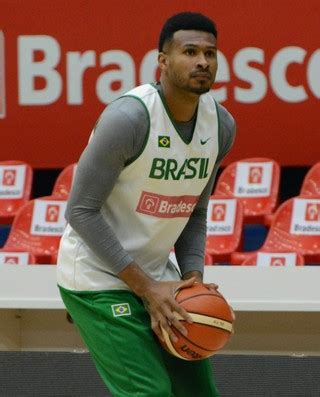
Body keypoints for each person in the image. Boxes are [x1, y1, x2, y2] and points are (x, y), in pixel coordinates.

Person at [57, 11, 236, 397]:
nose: (202, 61)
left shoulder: (221, 125)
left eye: (210, 53)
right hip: (97, 277)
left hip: (159, 278)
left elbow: (196, 211)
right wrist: (145, 288)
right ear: (163, 60)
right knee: (149, 392)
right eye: (190, 51)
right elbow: (80, 212)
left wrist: (192, 281)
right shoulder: (128, 118)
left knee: (198, 393)